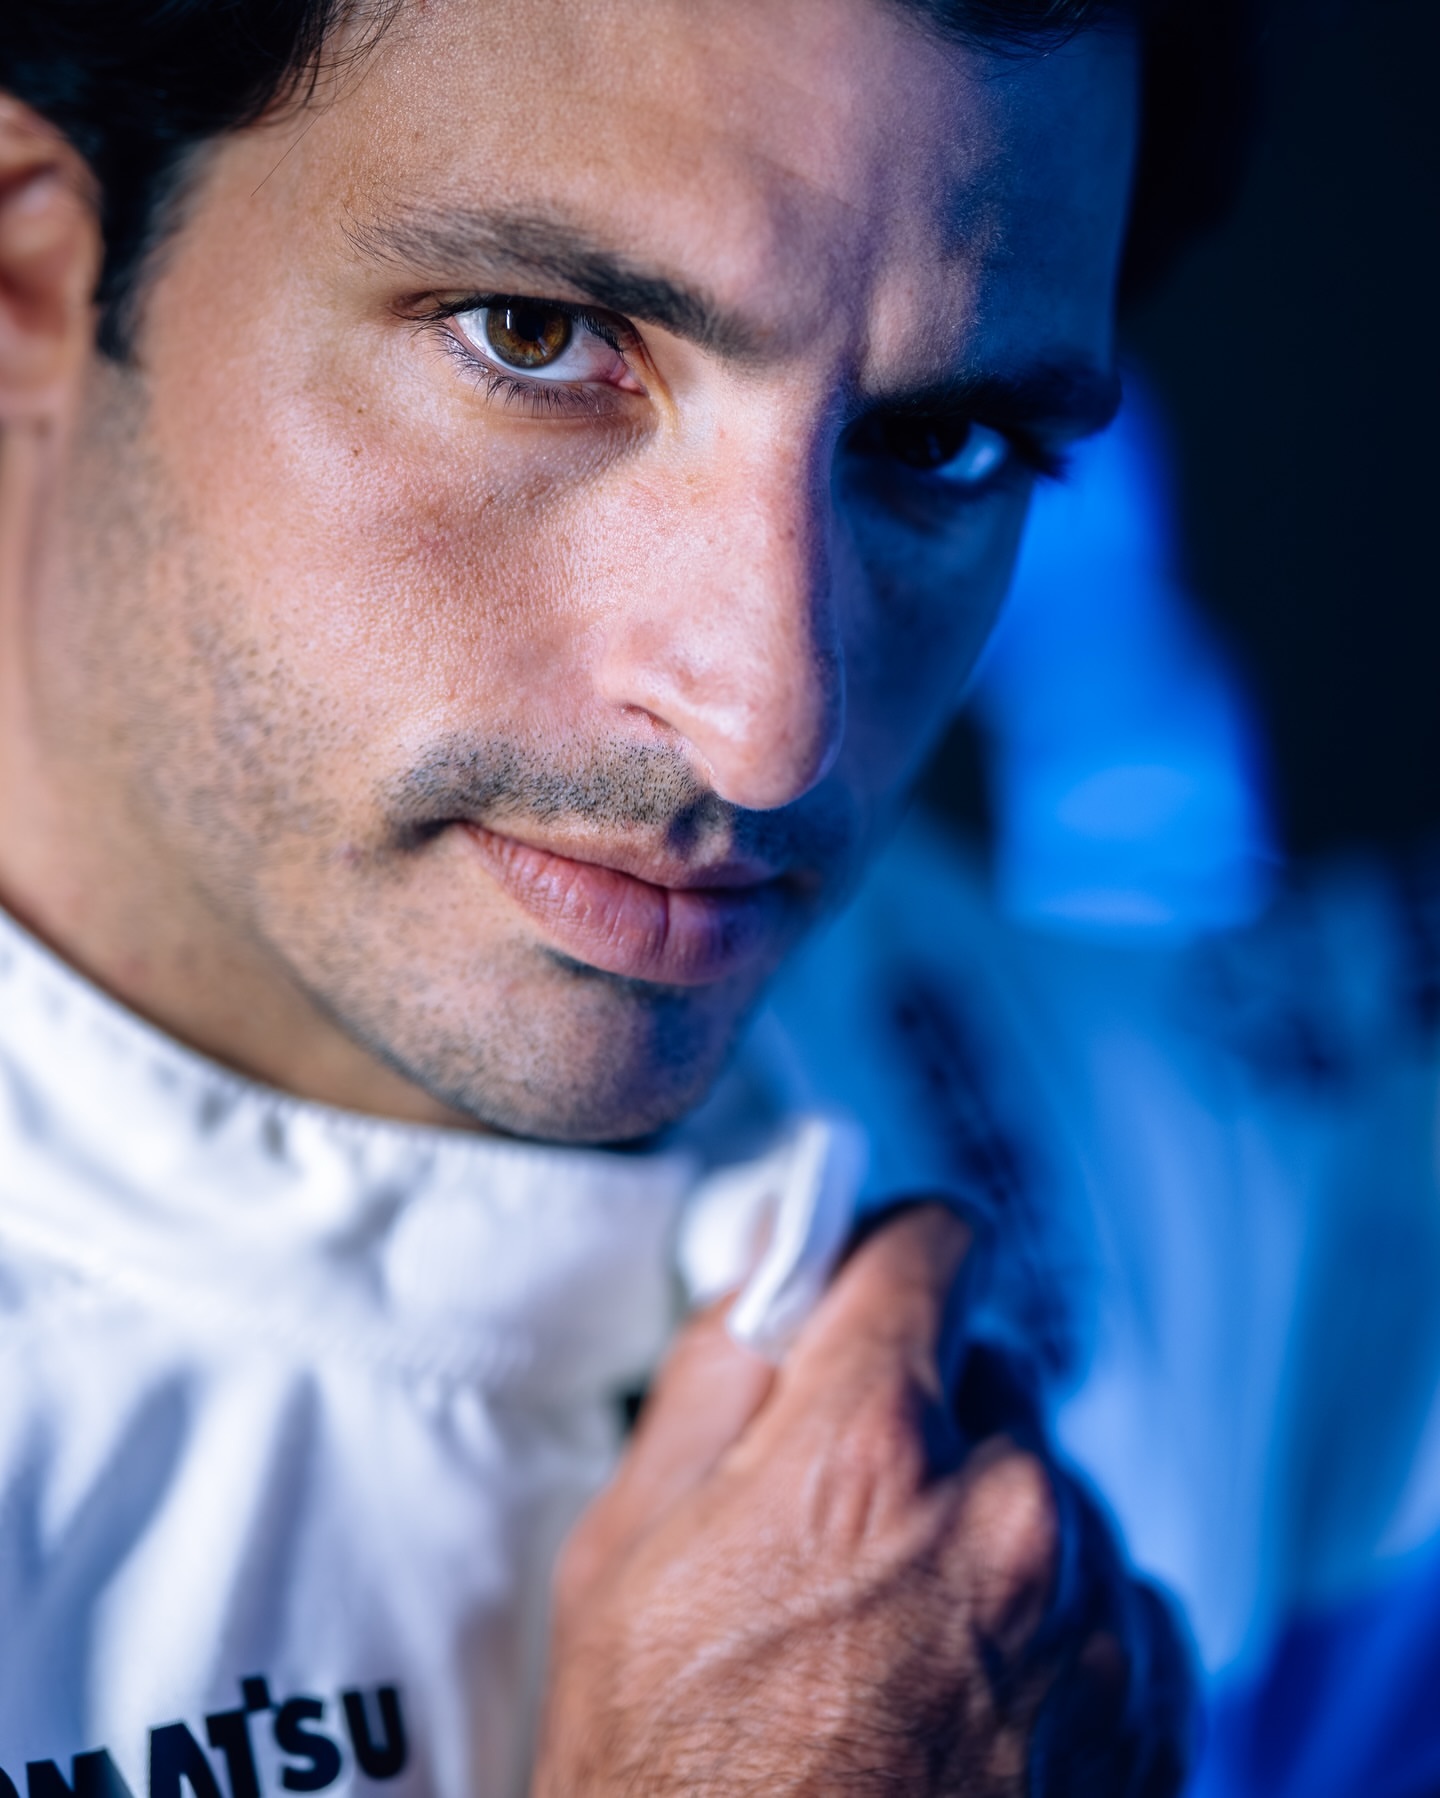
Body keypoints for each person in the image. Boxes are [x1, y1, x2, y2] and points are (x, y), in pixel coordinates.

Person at [0, 0, 1248, 1791]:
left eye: (944, 441)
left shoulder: (1247, 1192)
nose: (772, 730)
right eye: (540, 338)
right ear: (38, 272)